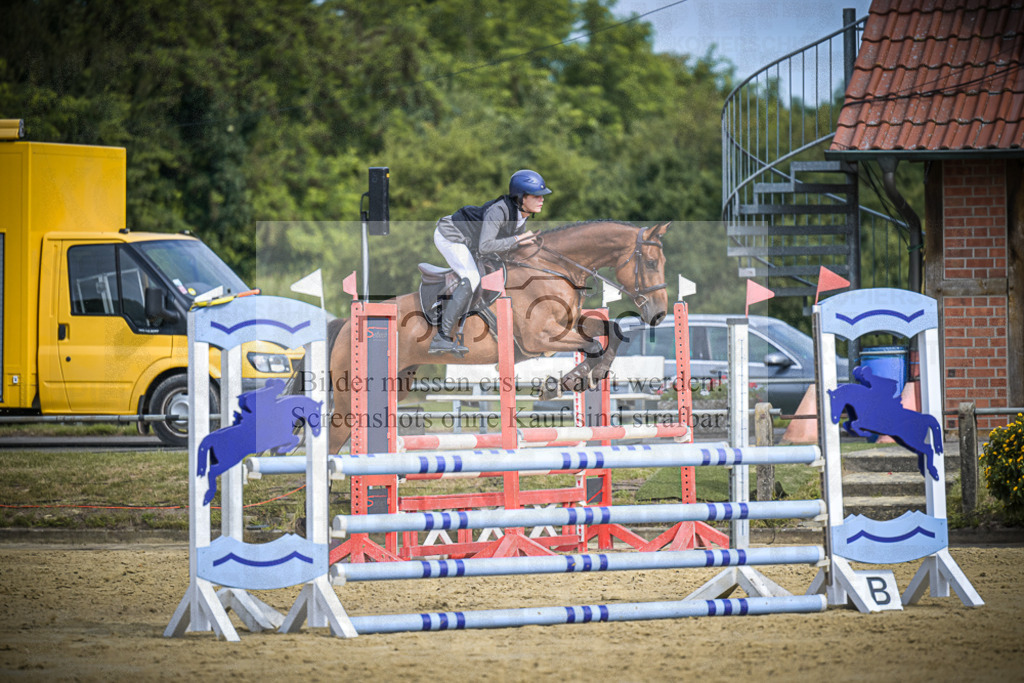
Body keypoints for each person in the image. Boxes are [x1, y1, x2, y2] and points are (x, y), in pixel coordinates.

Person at [428, 169, 552, 355]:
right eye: (536, 196)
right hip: (451, 235)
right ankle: (442, 337)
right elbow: (486, 246)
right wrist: (518, 240)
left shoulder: (520, 216)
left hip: (471, 241)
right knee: (472, 277)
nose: (541, 199)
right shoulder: (500, 210)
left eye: (542, 196)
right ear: (521, 198)